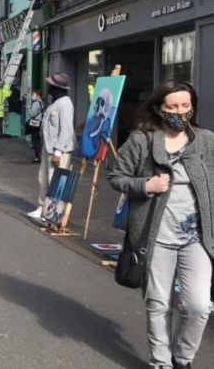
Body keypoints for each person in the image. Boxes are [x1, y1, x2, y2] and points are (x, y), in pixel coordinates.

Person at [108, 79, 214, 369]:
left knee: (198, 306)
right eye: (172, 107)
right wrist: (145, 185)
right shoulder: (141, 140)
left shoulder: (205, 140)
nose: (179, 112)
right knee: (158, 303)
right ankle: (161, 363)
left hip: (198, 237)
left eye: (185, 106)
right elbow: (115, 175)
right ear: (158, 108)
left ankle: (183, 358)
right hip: (154, 237)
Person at [28, 74, 74, 218]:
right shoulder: (55, 102)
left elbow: (66, 129)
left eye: (50, 85)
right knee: (43, 178)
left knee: (55, 179)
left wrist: (58, 152)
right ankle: (42, 206)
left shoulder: (65, 103)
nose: (48, 87)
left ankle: (52, 212)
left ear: (56, 87)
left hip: (58, 149)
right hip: (48, 147)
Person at [27, 89, 45, 163]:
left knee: (35, 139)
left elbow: (32, 114)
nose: (32, 96)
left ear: (38, 96)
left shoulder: (36, 103)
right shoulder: (42, 102)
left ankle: (37, 157)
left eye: (33, 95)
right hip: (40, 122)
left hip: (35, 122)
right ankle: (39, 156)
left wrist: (28, 109)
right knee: (38, 139)